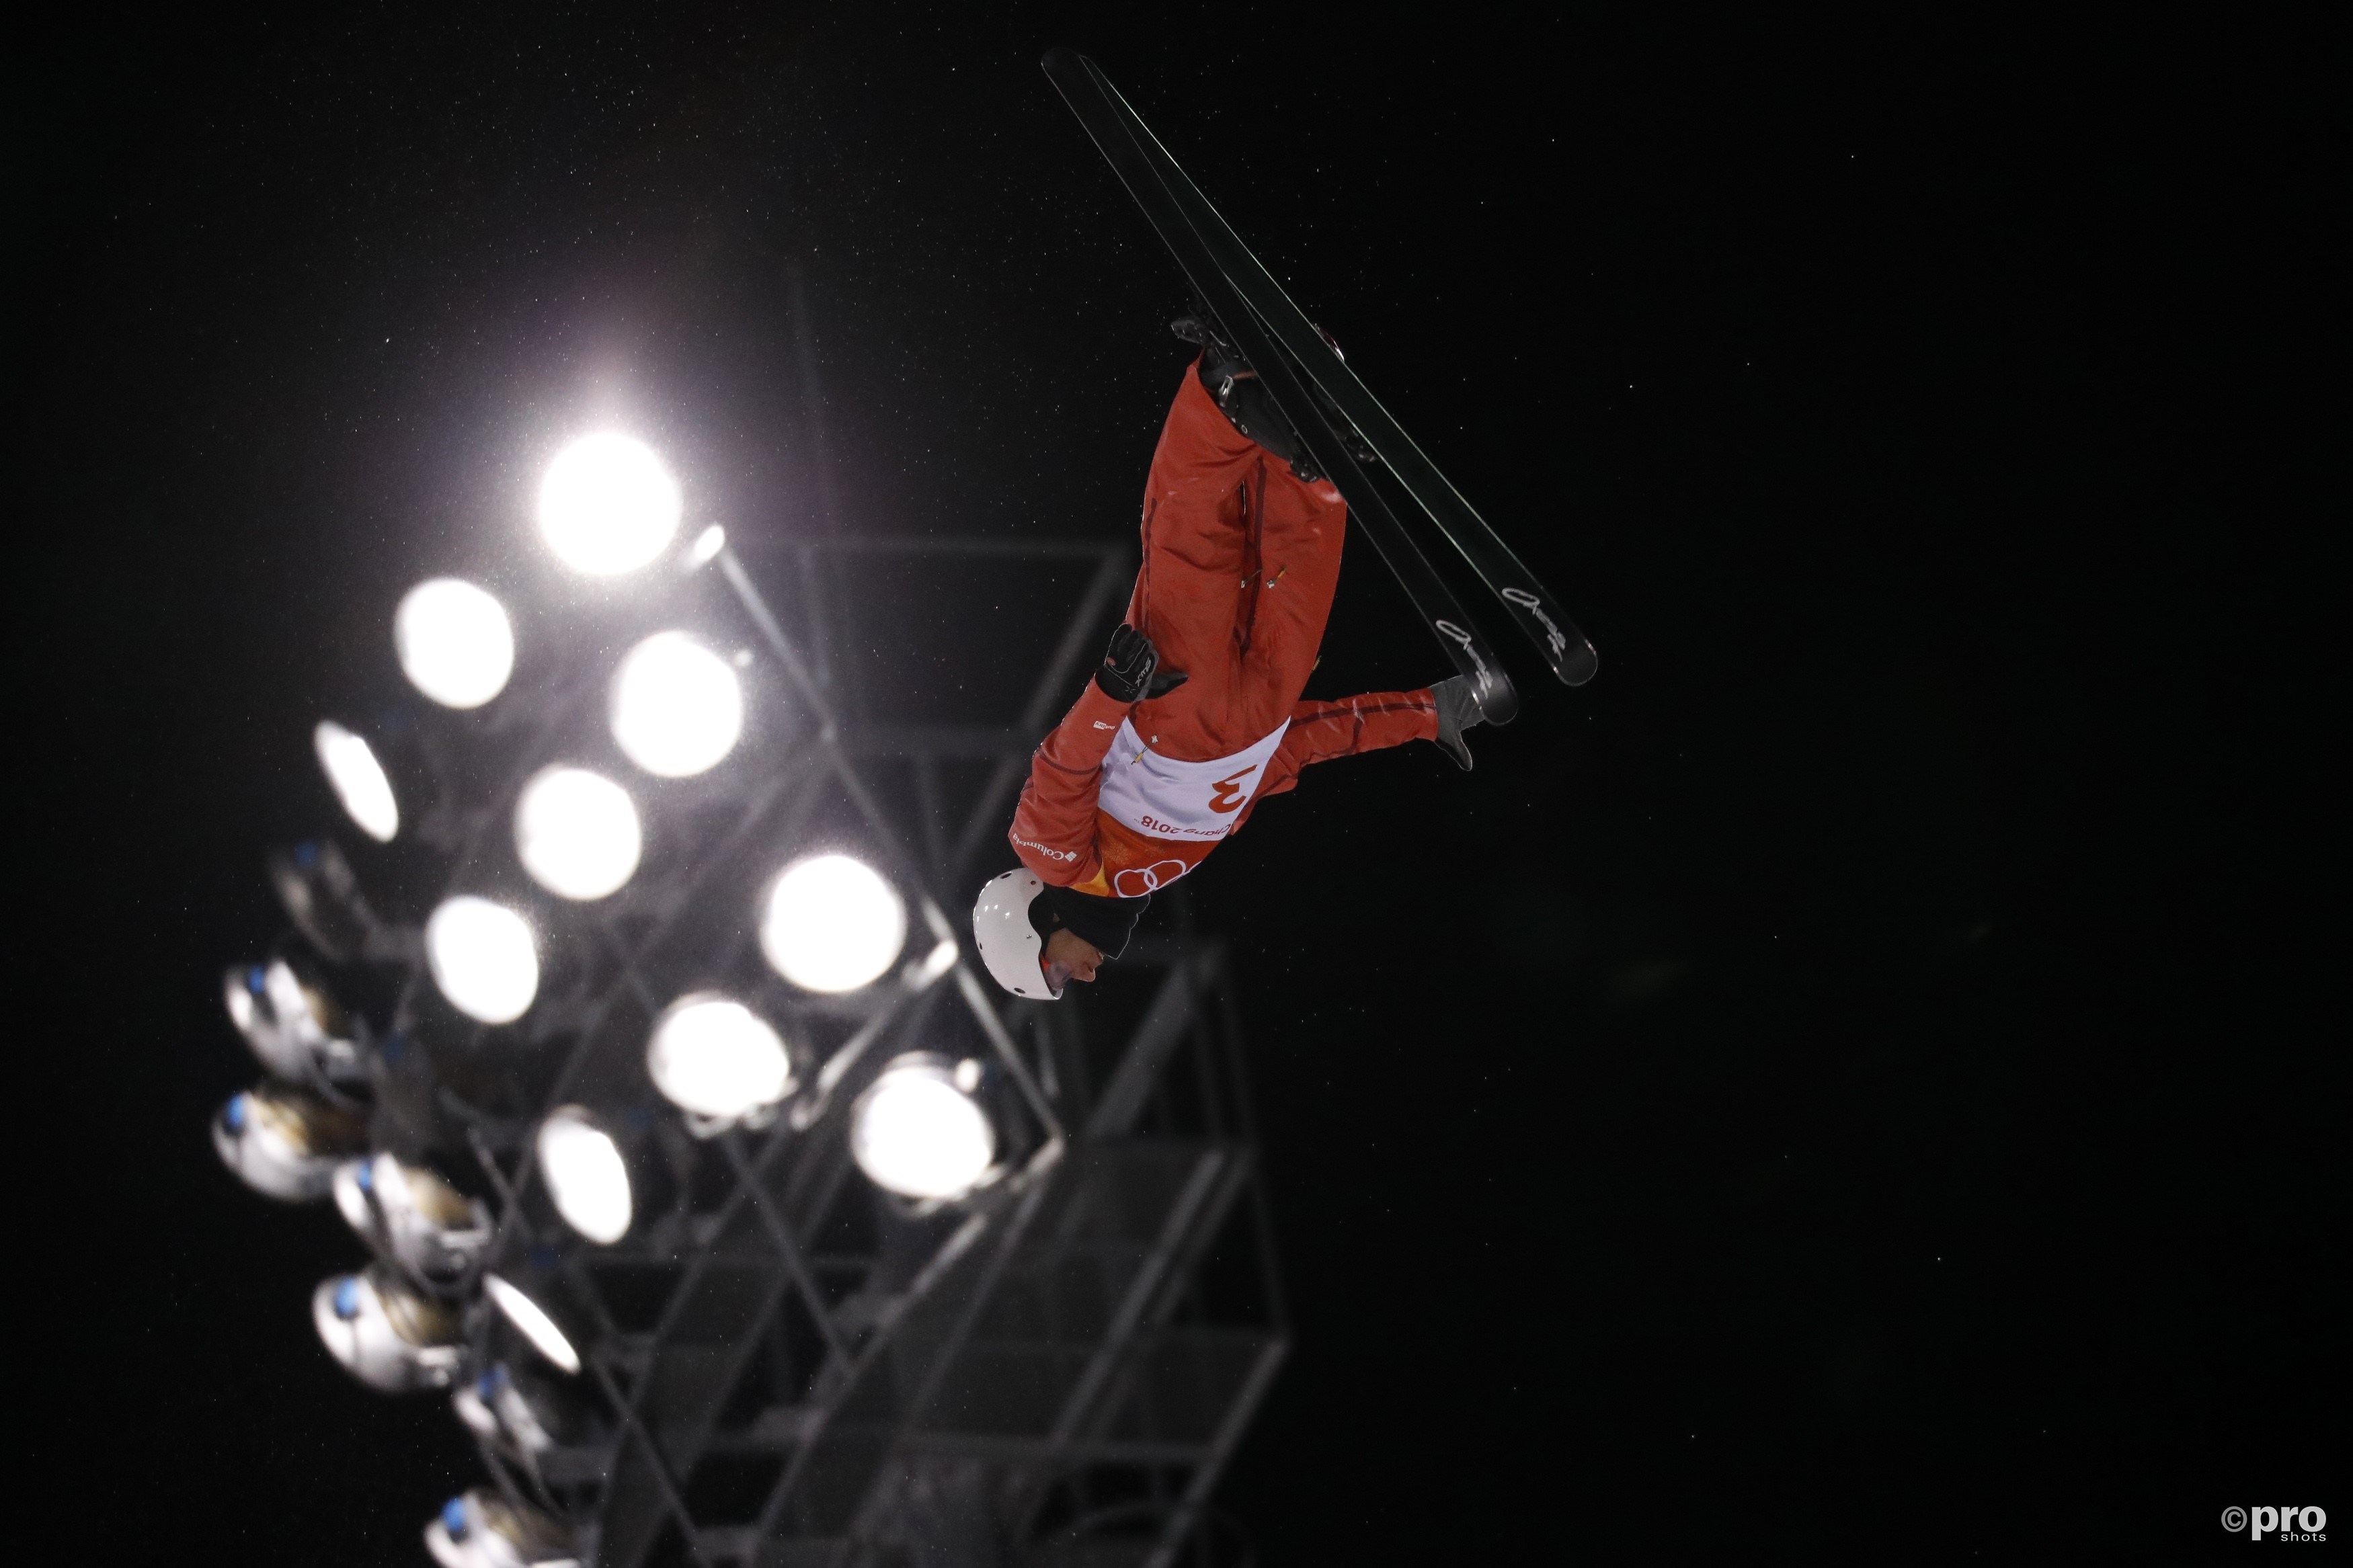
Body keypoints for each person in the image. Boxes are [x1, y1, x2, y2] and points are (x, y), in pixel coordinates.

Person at [972, 317, 1489, 1000]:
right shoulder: (1172, 868)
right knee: (1297, 551)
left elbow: (1064, 768)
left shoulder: (1050, 856)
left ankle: (1222, 387)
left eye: (1058, 970)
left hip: (1169, 700)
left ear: (1033, 924)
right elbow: (1291, 752)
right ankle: (1308, 442)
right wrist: (1429, 713)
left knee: (1193, 544)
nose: (1086, 971)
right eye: (1071, 981)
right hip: (1257, 716)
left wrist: (1110, 691)